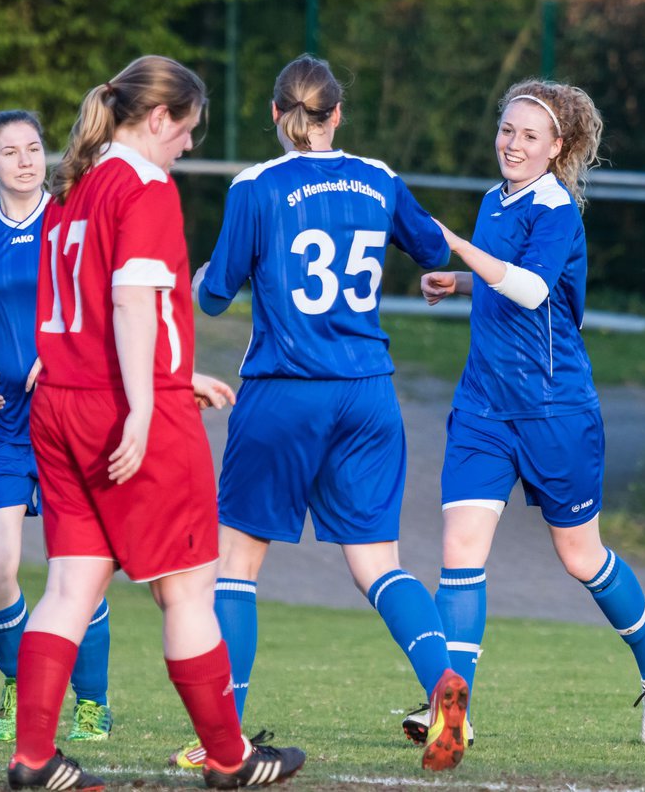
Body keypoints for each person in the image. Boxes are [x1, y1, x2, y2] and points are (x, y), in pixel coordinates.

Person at [6, 55, 306, 790]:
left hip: (62, 403)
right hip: (123, 409)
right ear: (159, 117)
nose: (188, 145)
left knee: (71, 585)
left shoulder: (75, 184)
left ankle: (34, 755)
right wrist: (147, 404)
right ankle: (230, 761)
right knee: (188, 589)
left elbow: (96, 308)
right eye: (187, 130)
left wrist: (172, 376)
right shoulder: (143, 184)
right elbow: (132, 303)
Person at [184, 53, 468, 773]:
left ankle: (228, 736)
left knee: (236, 565)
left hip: (285, 389)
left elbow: (215, 295)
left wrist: (190, 281)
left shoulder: (257, 186)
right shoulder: (379, 178)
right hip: (368, 391)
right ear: (337, 113)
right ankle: (443, 687)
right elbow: (433, 250)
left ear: (278, 116)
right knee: (379, 564)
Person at [413, 79, 645, 747]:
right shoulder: (493, 200)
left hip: (553, 409)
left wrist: (454, 248)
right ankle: (453, 711)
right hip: (483, 407)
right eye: (507, 130)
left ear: (557, 147)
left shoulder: (557, 207)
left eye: (530, 135)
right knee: (460, 554)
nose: (513, 143)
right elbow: (508, 277)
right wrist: (464, 281)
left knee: (580, 557)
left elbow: (534, 289)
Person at [0, 110, 114, 746]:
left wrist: (64, 353)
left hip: (72, 418)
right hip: (1, 427)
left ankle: (92, 701)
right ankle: (19, 679)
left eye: (34, 148)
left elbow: (103, 306)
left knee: (78, 568)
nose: (25, 160)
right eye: (9, 152)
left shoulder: (75, 222)